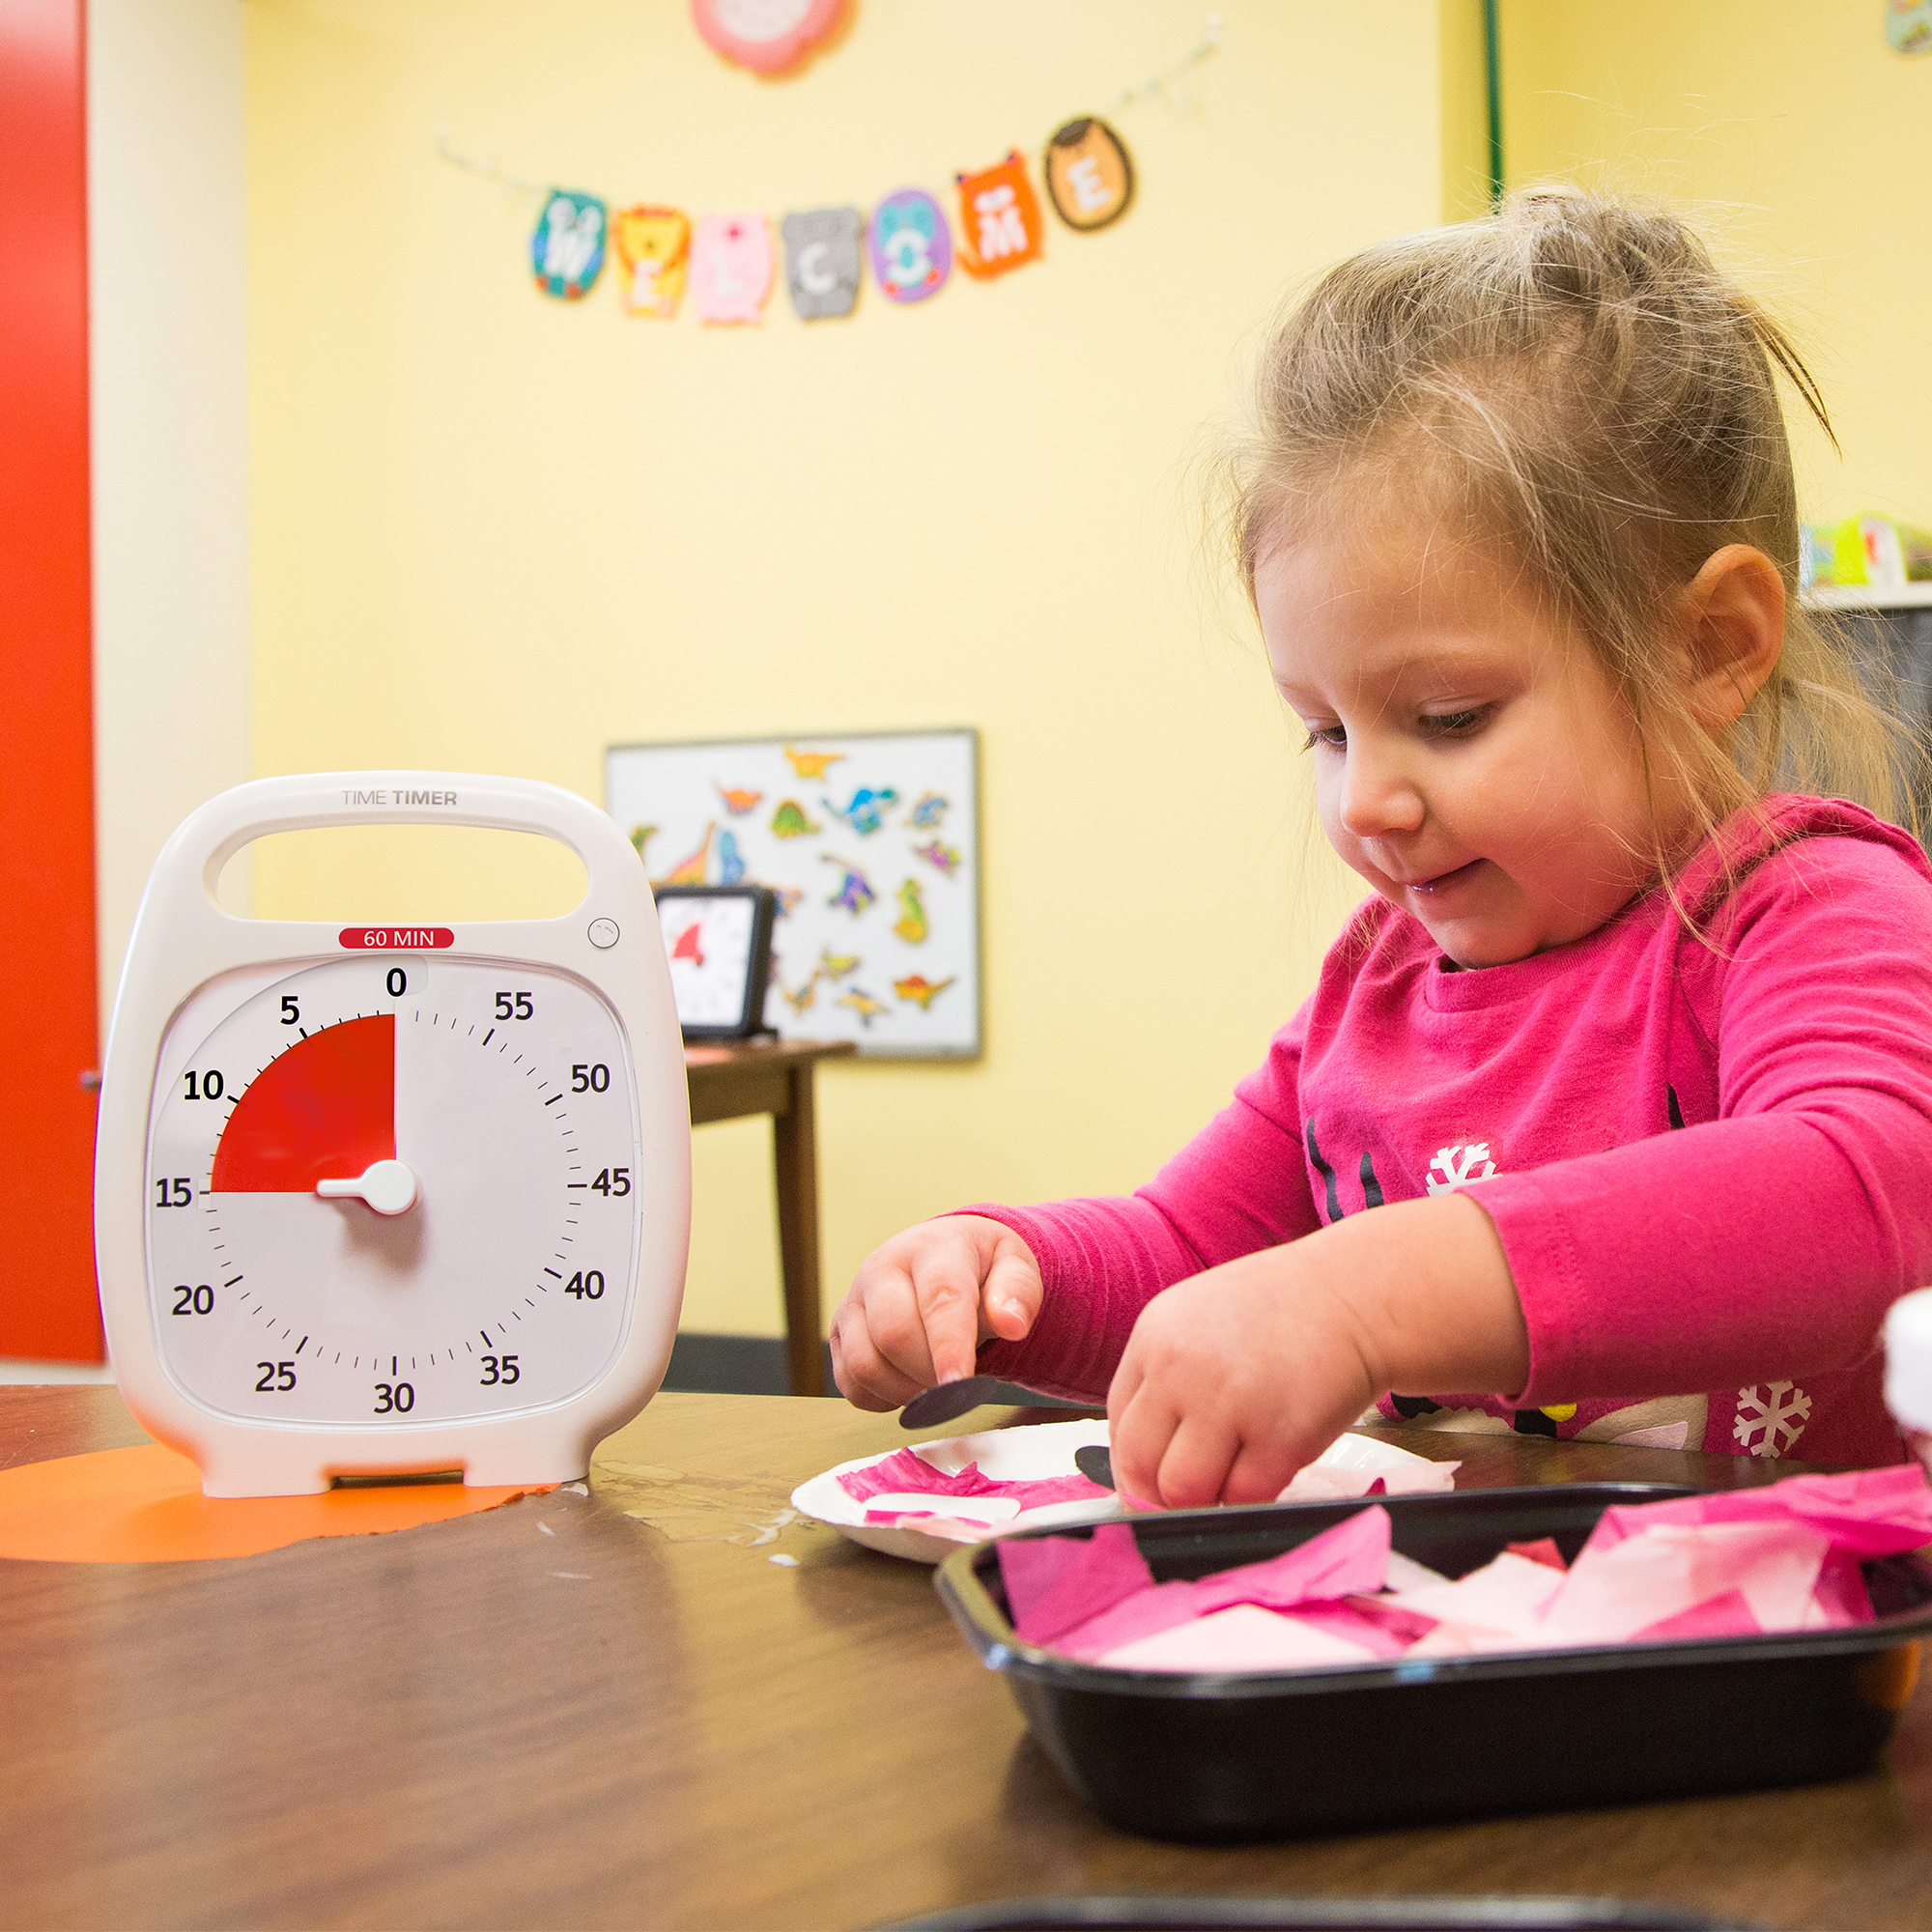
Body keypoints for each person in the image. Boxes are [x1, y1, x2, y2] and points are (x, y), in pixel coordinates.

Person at [830, 189, 1932, 1508]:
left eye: (1448, 717)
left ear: (1709, 646)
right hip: (1468, 1663)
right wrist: (1002, 1273)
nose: (1366, 801)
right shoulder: (1380, 990)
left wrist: (1367, 1290)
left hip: (1790, 1680)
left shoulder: (1807, 908)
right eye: (1326, 731)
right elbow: (1192, 1253)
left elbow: (1871, 1191)